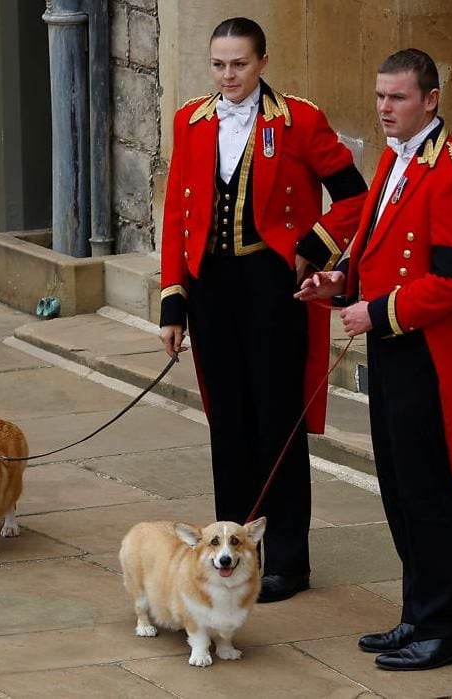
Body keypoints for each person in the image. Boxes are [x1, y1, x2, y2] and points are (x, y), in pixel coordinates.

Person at [159, 17, 367, 603]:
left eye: (240, 64)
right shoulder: (190, 120)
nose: (228, 76)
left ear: (263, 63)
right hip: (212, 288)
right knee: (227, 422)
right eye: (219, 64)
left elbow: (355, 195)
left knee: (278, 424)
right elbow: (177, 213)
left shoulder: (299, 120)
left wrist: (313, 248)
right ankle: (231, 554)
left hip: (274, 286)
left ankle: (289, 561)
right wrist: (173, 301)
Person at [296, 48, 452, 669]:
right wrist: (339, 284)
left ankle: (446, 628)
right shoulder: (392, 160)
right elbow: (375, 251)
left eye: (397, 98)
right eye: (380, 97)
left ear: (430, 100)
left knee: (428, 492)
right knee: (399, 490)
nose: (384, 109)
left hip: (428, 356)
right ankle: (417, 615)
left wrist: (376, 312)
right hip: (393, 349)